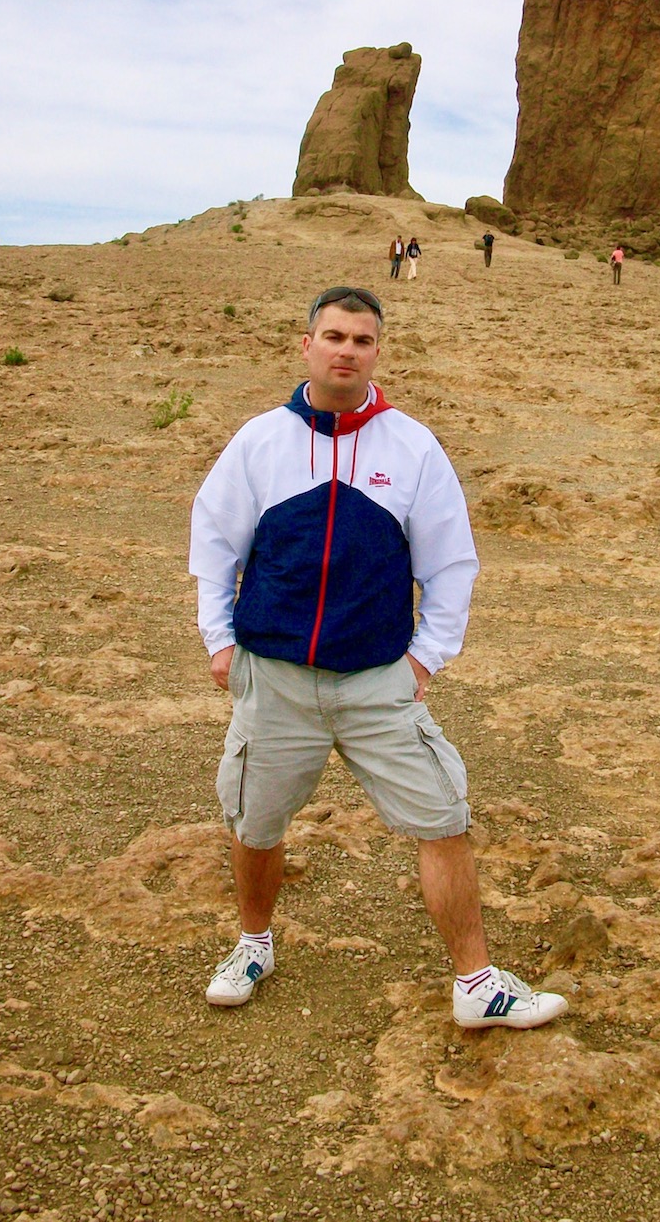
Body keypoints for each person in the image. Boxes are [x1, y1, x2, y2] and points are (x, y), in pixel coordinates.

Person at [189, 286, 568, 1032]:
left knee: (442, 818)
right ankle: (253, 944)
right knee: (256, 823)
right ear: (306, 346)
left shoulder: (412, 445)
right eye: (333, 336)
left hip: (377, 682)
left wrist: (426, 659)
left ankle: (477, 983)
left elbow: (450, 563)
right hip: (275, 677)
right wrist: (220, 643)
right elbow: (215, 544)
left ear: (376, 353)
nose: (346, 350)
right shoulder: (262, 440)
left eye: (361, 340)